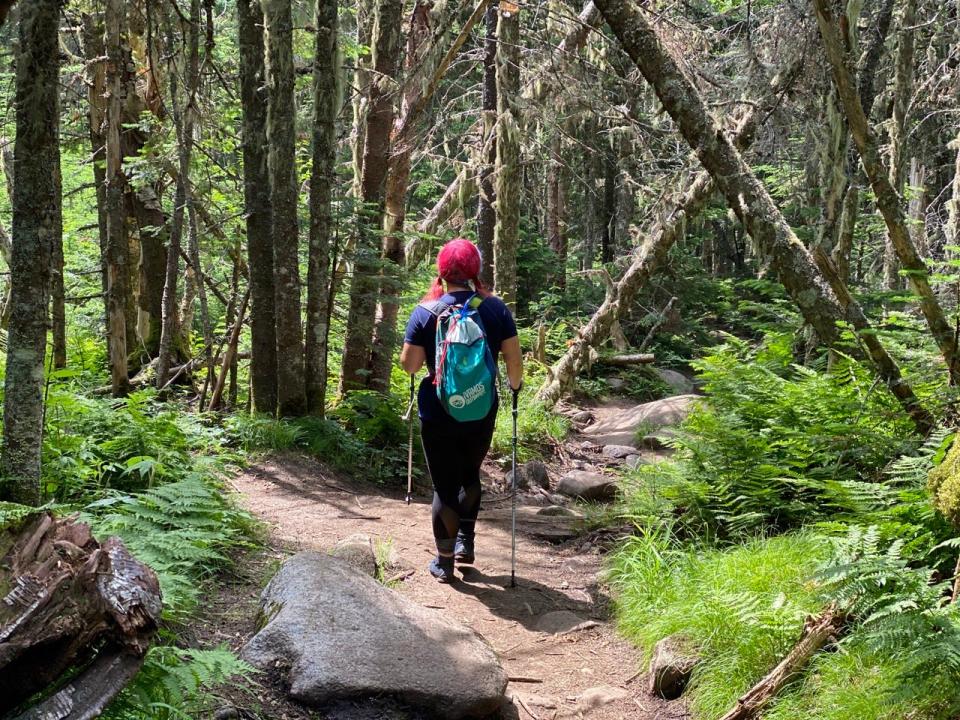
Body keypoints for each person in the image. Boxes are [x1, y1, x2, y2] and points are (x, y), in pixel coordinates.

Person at [400, 238, 523, 583]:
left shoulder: (426, 311)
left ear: (441, 271)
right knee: (469, 473)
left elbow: (409, 366)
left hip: (437, 411)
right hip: (481, 407)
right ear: (474, 271)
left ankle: (444, 563)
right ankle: (466, 543)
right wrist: (514, 389)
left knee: (444, 484)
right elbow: (514, 364)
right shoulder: (496, 309)